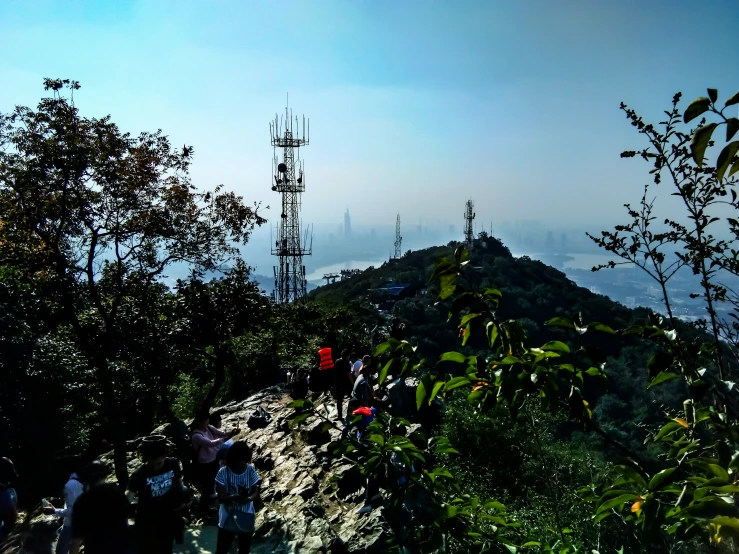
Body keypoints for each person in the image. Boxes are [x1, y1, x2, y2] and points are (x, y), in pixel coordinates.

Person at [127, 436, 187, 554]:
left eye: (158, 464)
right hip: (147, 521)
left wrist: (182, 505)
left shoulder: (173, 464)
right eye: (151, 464)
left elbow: (179, 485)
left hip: (168, 517)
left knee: (166, 548)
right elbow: (128, 496)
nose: (155, 468)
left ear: (165, 455)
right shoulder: (139, 474)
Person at [70, 461, 136, 554]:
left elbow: (76, 540)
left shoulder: (82, 502)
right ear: (105, 476)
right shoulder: (116, 494)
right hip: (124, 546)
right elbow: (127, 515)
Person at [214, 441, 261, 554]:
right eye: (238, 460)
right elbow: (221, 497)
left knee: (244, 549)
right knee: (222, 549)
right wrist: (234, 497)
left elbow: (255, 492)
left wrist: (248, 499)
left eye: (243, 460)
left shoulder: (250, 470)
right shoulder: (223, 472)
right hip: (227, 517)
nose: (241, 463)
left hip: (246, 514)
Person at [191, 410, 240, 516]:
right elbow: (210, 443)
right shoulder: (196, 435)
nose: (206, 422)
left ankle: (210, 504)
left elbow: (221, 434)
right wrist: (225, 438)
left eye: (207, 419)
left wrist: (232, 433)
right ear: (199, 422)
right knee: (207, 487)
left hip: (213, 460)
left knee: (213, 482)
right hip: (204, 464)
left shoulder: (209, 428)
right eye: (204, 420)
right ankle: (202, 509)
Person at [42, 464, 85, 554]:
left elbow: (72, 511)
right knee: (74, 547)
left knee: (61, 551)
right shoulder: (83, 480)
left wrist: (54, 511)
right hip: (84, 521)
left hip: (71, 523)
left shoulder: (69, 486)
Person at [0, 457, 19, 542]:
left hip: (5, 494)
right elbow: (15, 477)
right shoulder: (6, 460)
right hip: (6, 492)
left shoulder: (5, 461)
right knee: (10, 525)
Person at [333, 349, 354, 421]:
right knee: (352, 397)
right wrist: (353, 383)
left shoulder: (337, 361)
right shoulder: (346, 363)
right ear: (347, 356)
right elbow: (349, 374)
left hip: (338, 384)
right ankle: (349, 414)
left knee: (339, 401)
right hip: (346, 384)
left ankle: (339, 416)